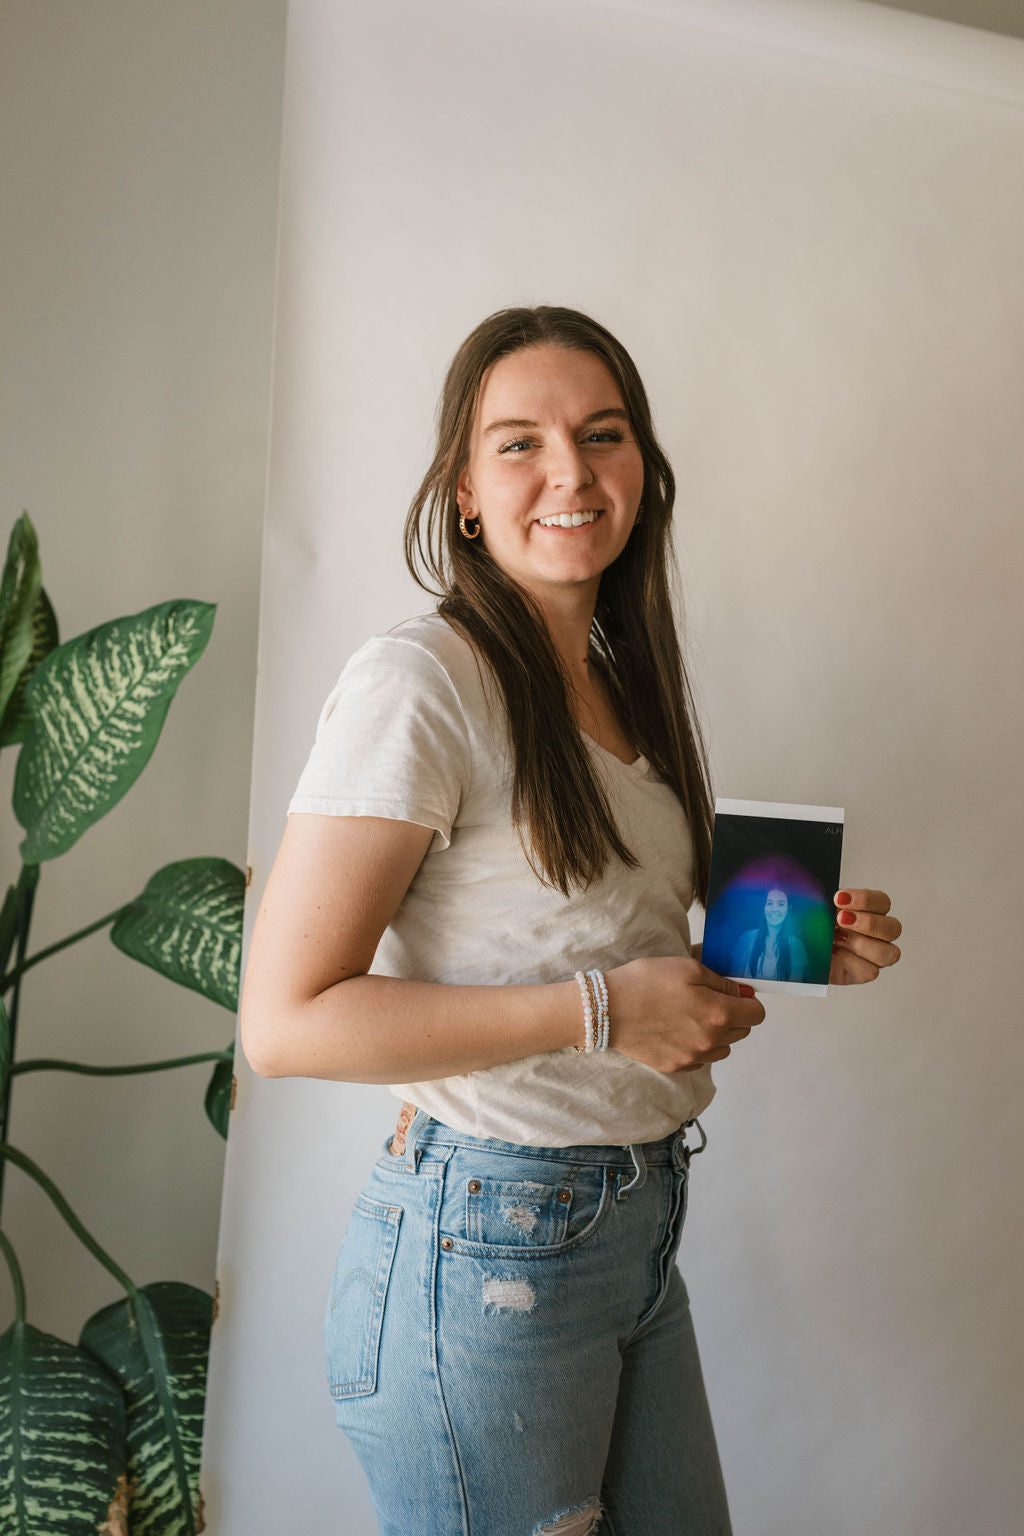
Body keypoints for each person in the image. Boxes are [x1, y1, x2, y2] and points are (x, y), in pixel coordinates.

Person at [239, 305, 903, 1536]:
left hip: (629, 1226)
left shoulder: (614, 676)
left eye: (602, 435)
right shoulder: (422, 681)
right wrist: (608, 1011)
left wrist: (796, 935)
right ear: (463, 492)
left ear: (643, 472)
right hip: (487, 1248)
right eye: (518, 443)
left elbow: (597, 931)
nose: (570, 472)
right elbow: (284, 1023)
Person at [729, 886, 808, 982]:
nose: (775, 909)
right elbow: (735, 983)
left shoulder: (796, 946)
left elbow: (795, 988)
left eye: (781, 904)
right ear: (764, 907)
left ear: (788, 909)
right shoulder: (747, 938)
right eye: (770, 903)